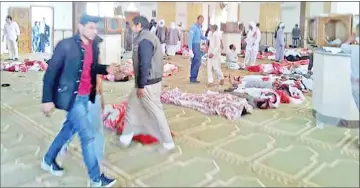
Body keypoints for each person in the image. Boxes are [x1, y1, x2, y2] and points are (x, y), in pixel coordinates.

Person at [40, 14, 120, 187]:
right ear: (80, 26)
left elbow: (90, 68)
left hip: (87, 95)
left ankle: (48, 159)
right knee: (88, 136)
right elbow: (51, 73)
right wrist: (47, 99)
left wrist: (105, 68)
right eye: (90, 28)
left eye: (95, 28)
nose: (94, 31)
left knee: (67, 131)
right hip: (72, 97)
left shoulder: (94, 45)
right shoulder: (66, 46)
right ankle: (96, 179)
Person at [119, 16, 175, 152]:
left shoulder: (144, 40)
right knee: (133, 106)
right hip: (150, 81)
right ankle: (126, 135)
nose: (131, 27)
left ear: (139, 25)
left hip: (148, 83)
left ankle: (168, 141)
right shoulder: (147, 37)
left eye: (133, 25)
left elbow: (145, 63)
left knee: (156, 111)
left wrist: (141, 85)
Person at [188, 15, 207, 83]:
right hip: (194, 45)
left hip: (197, 45)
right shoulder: (193, 27)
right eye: (201, 20)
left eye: (203, 21)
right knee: (197, 61)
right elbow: (190, 38)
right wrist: (190, 49)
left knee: (196, 62)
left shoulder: (199, 28)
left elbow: (201, 36)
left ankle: (193, 78)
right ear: (197, 19)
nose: (201, 22)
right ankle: (193, 78)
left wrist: (208, 38)